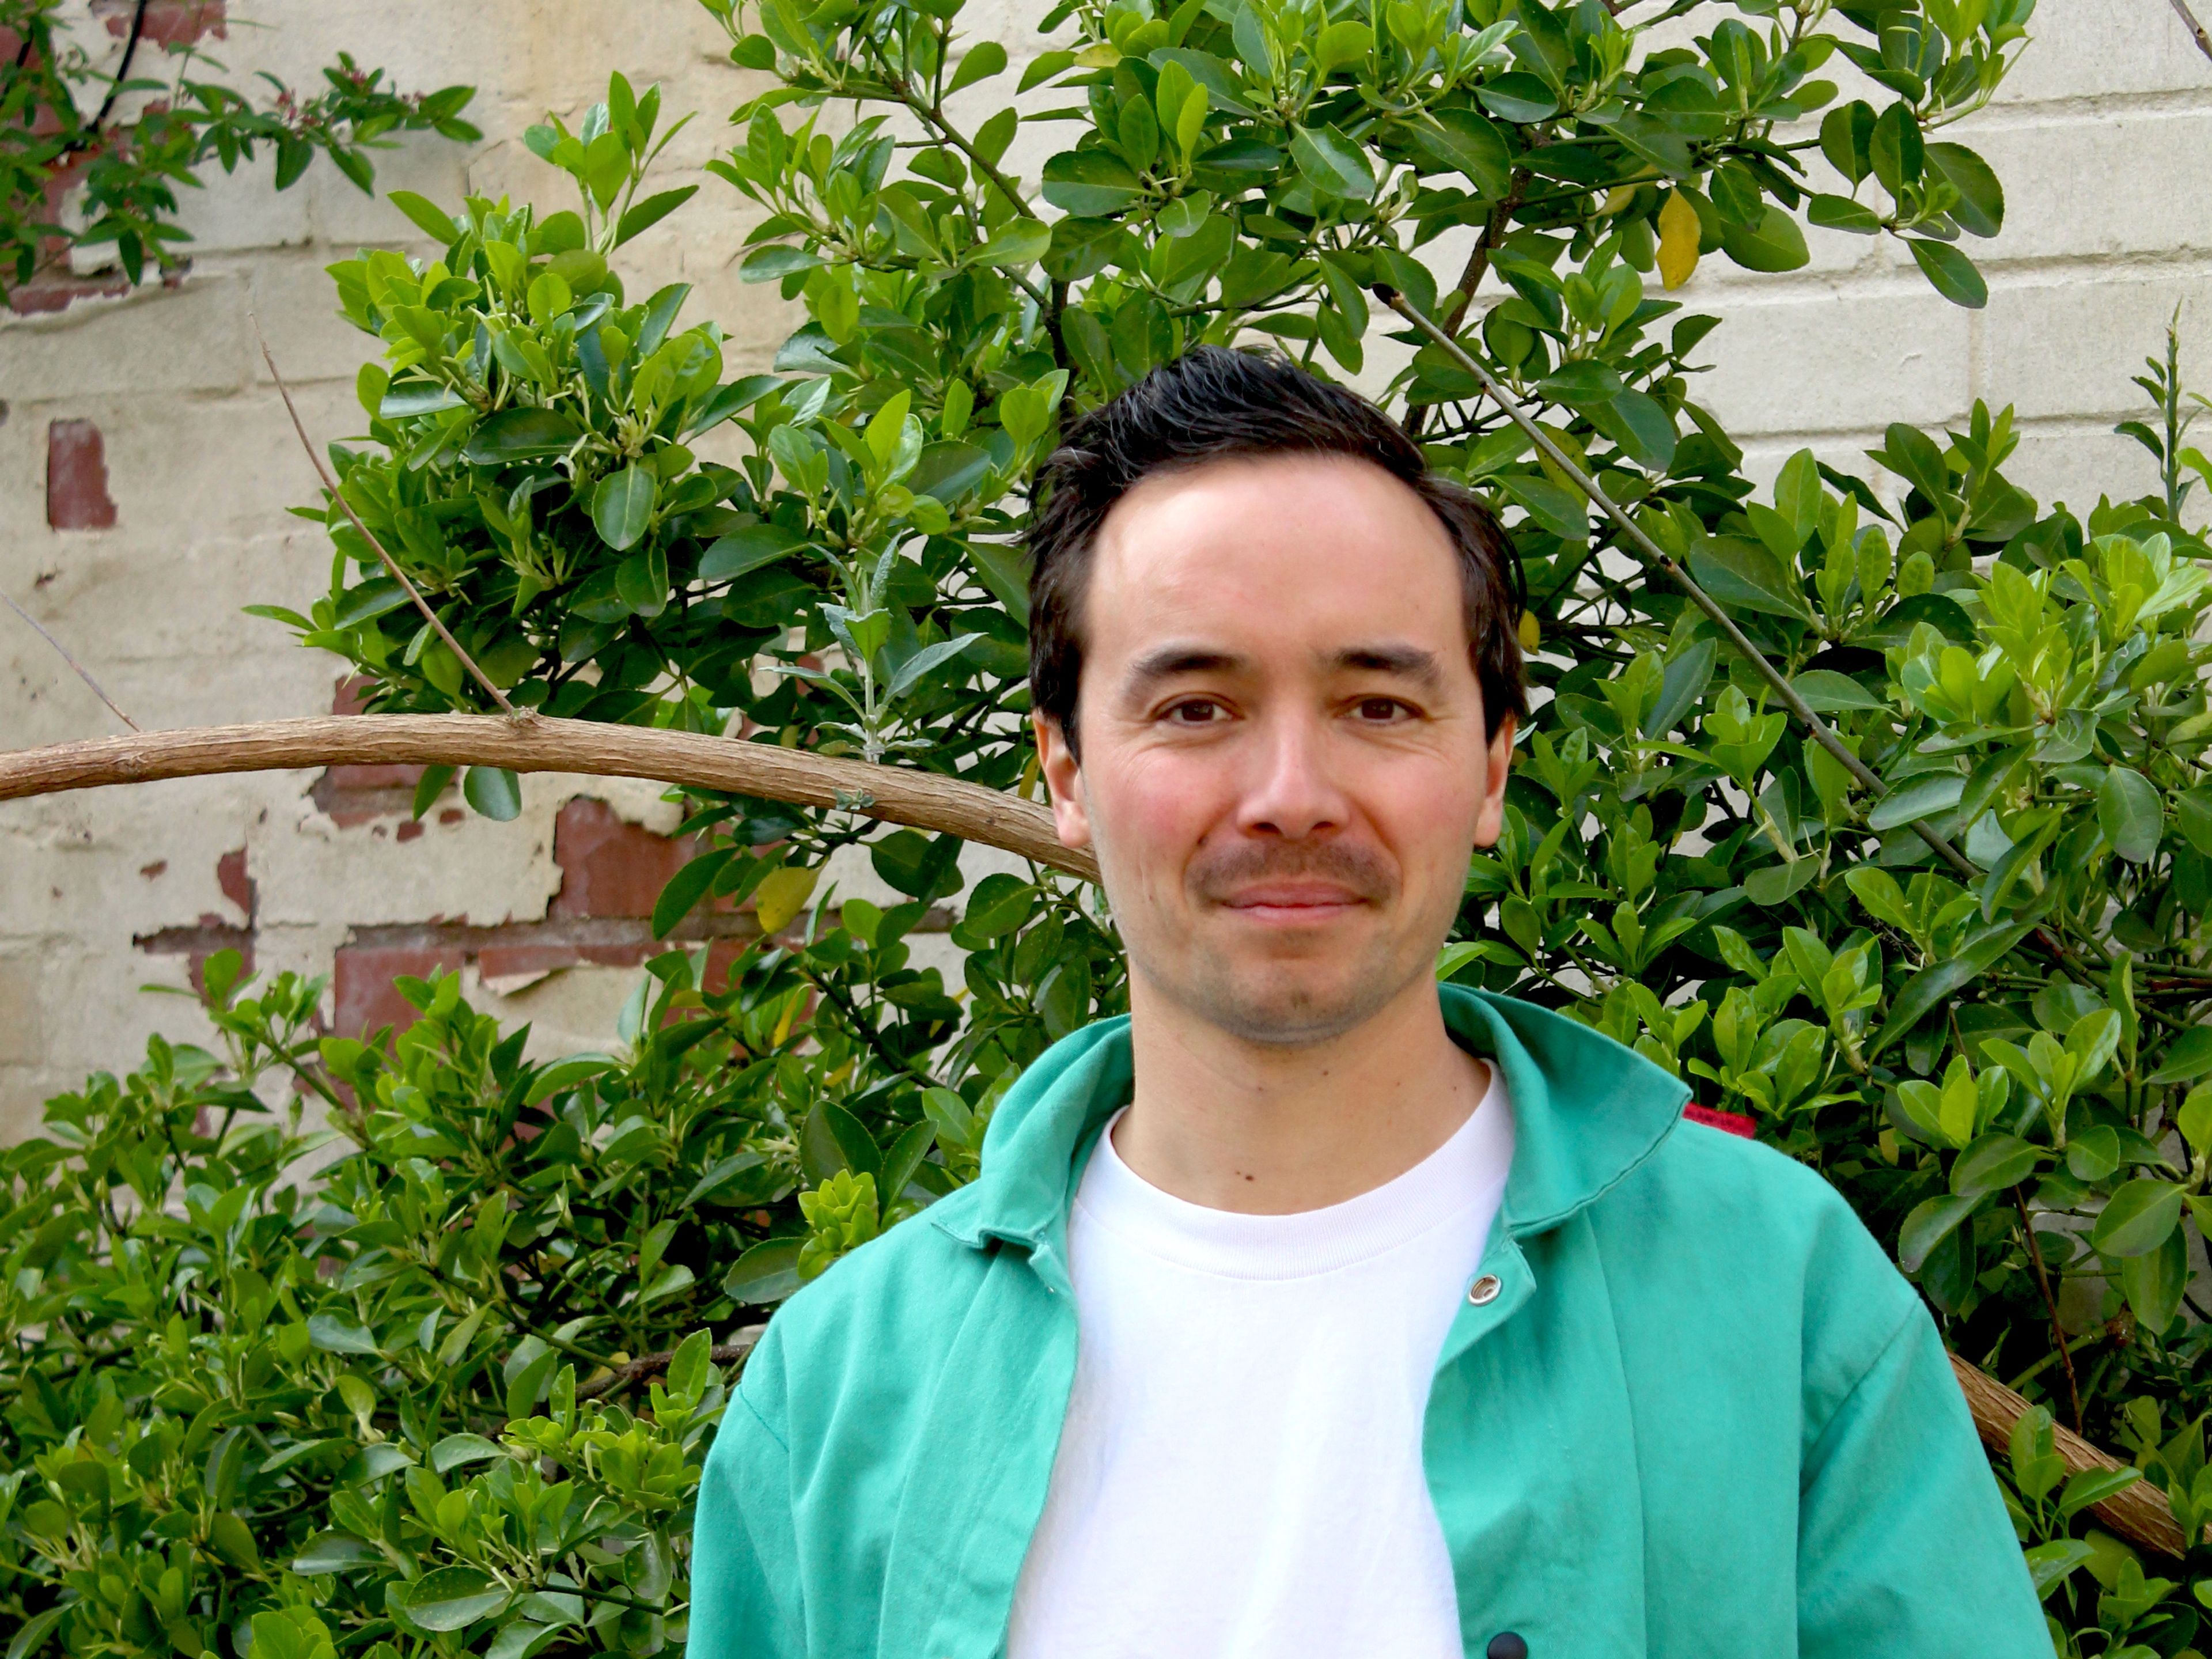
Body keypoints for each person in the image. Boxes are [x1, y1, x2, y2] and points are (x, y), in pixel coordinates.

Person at [685, 348, 2049, 1658]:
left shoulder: (1777, 1290)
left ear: (1496, 766)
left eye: (1380, 707)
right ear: (1066, 770)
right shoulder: (846, 1386)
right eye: (1197, 707)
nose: (1292, 794)